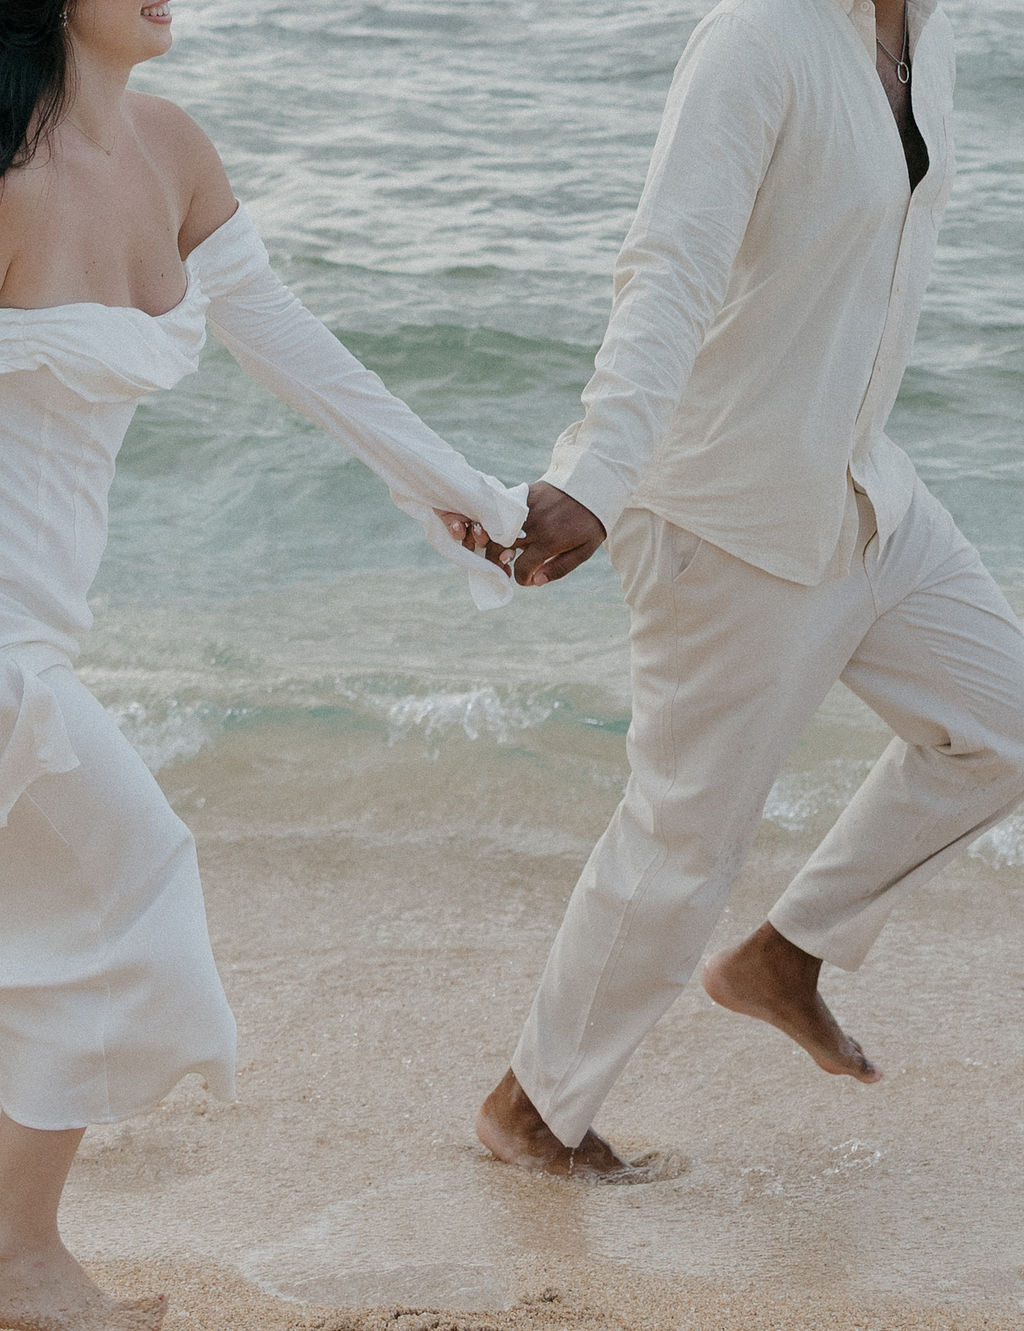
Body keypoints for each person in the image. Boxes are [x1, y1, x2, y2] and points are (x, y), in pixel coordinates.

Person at [0, 1, 526, 1326]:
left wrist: (473, 500)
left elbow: (302, 356)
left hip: (31, 650)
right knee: (126, 887)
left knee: (123, 903)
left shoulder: (171, 151)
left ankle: (16, 1254)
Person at [475, 0, 1024, 1178]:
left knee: (1004, 727)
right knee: (682, 847)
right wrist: (597, 475)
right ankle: (530, 1107)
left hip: (867, 490)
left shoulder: (929, 37)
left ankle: (789, 953)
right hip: (728, 512)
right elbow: (668, 264)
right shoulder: (757, 39)